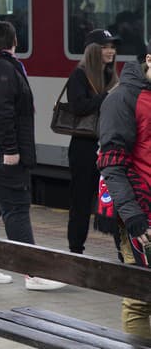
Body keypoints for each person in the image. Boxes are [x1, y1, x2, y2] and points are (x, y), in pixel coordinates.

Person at [0, 21, 65, 290]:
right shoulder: (3, 69)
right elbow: (1, 111)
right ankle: (35, 272)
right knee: (16, 207)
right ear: (13, 41)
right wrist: (10, 150)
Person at [96, 41, 151, 337]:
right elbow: (112, 165)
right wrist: (133, 216)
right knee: (141, 298)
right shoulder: (122, 100)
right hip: (142, 213)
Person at [65, 29, 119, 254]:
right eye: (106, 47)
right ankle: (76, 249)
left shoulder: (111, 75)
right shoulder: (79, 75)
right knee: (81, 202)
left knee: (117, 198)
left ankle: (124, 249)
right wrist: (107, 96)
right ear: (94, 51)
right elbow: (78, 107)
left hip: (108, 146)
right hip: (85, 148)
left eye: (113, 47)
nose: (111, 51)